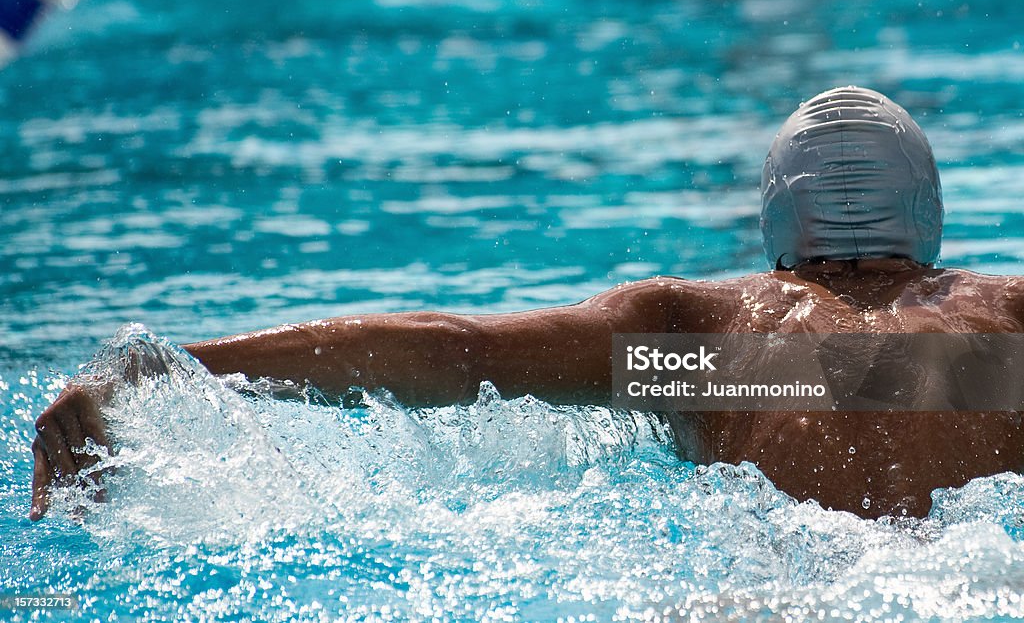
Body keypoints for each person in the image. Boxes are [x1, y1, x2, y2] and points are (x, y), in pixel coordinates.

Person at [30, 86, 1024, 522]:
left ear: (776, 226)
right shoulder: (1009, 325)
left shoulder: (699, 345)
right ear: (925, 221)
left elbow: (449, 351)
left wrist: (164, 367)